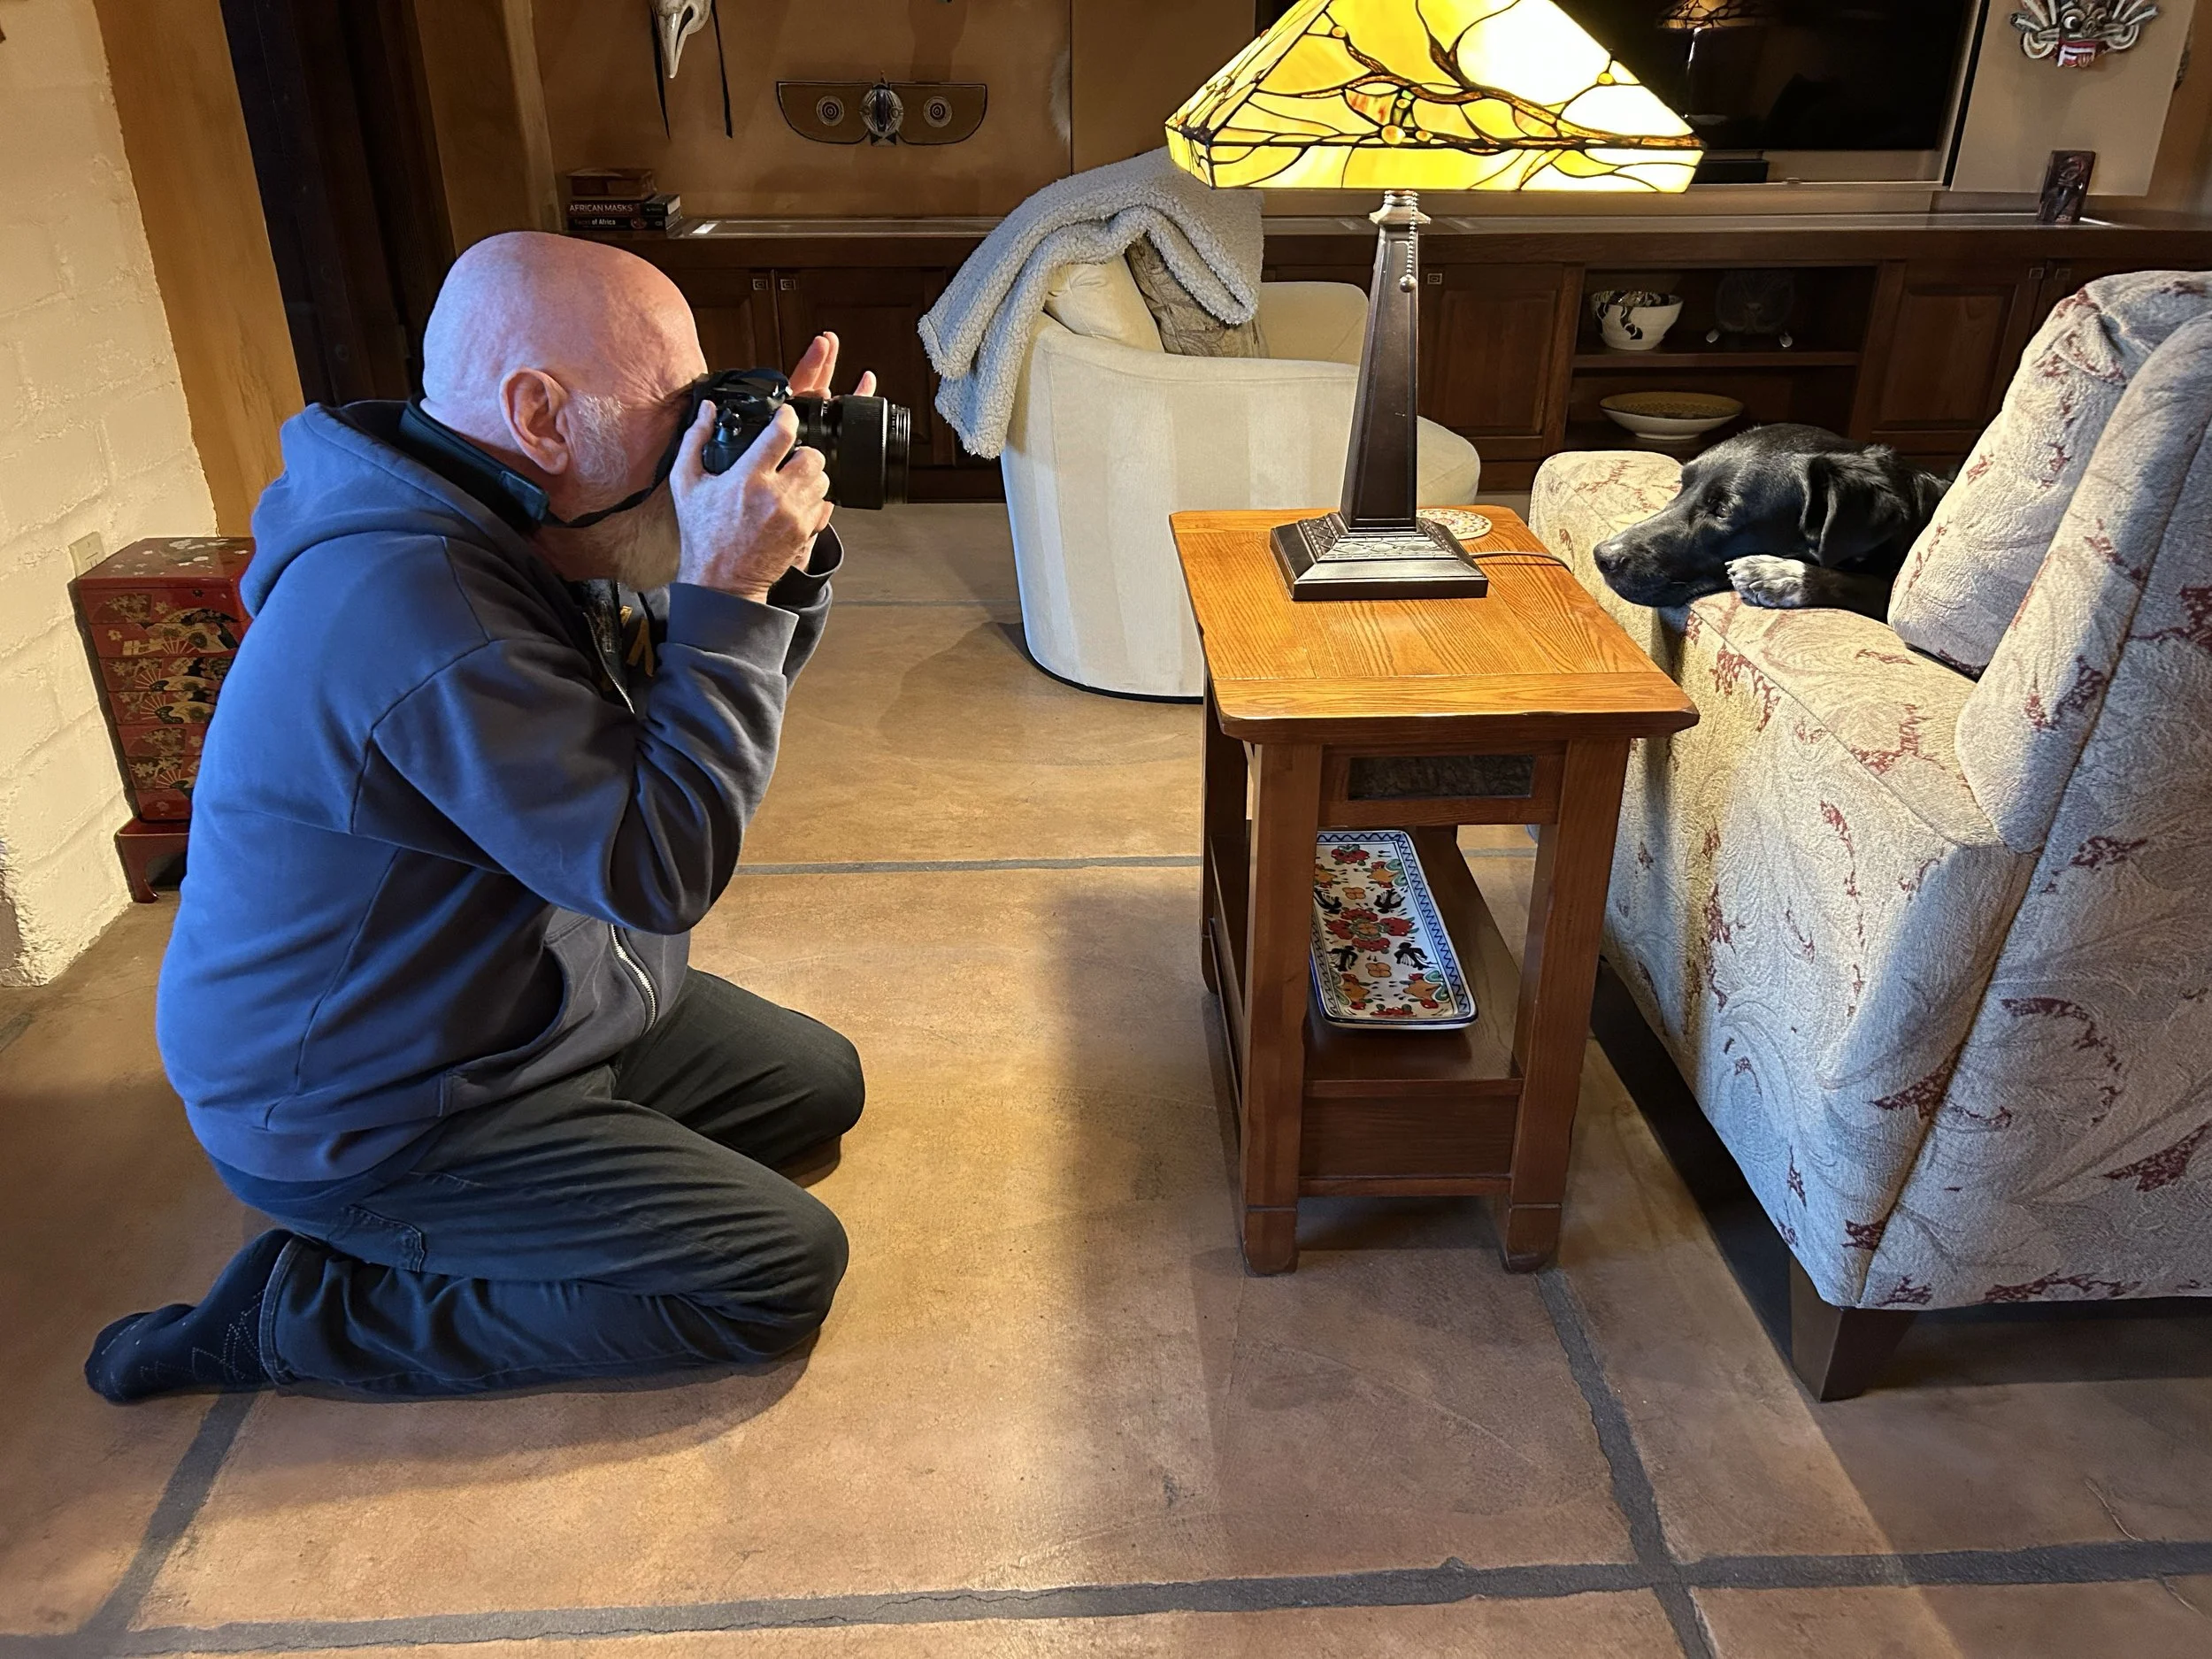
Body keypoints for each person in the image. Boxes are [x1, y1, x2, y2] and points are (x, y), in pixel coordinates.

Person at [85, 232, 871, 1400]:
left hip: (517, 1015)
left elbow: (671, 714)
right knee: (770, 1269)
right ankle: (303, 1314)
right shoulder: (422, 608)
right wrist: (728, 589)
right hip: (374, 1106)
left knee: (817, 1084)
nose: (702, 435)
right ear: (540, 410)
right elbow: (656, 863)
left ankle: (548, 1171)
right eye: (680, 405)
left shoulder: (518, 514)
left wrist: (774, 575)